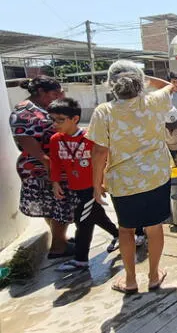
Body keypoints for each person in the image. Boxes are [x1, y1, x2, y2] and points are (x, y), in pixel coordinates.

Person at [88, 60, 175, 294]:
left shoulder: (104, 111)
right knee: (154, 227)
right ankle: (154, 276)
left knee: (126, 230)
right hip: (156, 177)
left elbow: (99, 152)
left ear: (110, 84)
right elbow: (169, 85)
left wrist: (96, 184)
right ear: (140, 81)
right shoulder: (155, 101)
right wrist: (143, 78)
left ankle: (130, 280)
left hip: (124, 182)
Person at [47, 98, 120, 272]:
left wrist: (101, 183)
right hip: (75, 187)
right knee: (96, 214)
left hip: (91, 187)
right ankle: (119, 235)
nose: (55, 124)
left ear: (75, 119)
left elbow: (103, 160)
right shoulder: (56, 140)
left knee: (83, 221)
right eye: (53, 120)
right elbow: (55, 163)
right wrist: (55, 182)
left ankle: (81, 259)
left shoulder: (90, 138)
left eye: (60, 120)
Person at [10, 76, 76, 259]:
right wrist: (50, 166)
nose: (58, 96)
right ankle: (58, 247)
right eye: (54, 93)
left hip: (51, 166)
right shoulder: (24, 111)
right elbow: (26, 141)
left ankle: (60, 239)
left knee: (52, 206)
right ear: (40, 92)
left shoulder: (43, 108)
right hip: (41, 168)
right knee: (60, 205)